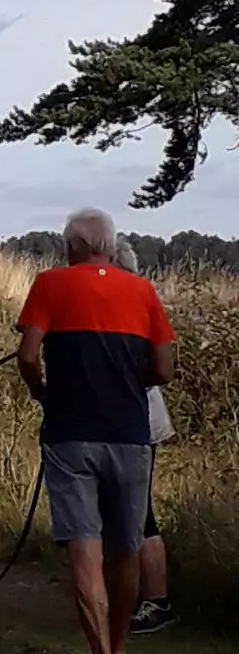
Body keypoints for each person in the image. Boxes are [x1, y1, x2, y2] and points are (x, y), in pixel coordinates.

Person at [16, 209, 177, 654]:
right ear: (109, 246)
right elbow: (166, 369)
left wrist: (43, 391)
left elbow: (26, 356)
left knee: (85, 550)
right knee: (126, 548)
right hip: (130, 437)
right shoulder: (143, 291)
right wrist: (125, 383)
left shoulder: (49, 285)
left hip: (70, 437)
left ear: (73, 248)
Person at [114, 238, 177, 633]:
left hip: (137, 422)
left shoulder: (129, 307)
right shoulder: (136, 304)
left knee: (140, 516)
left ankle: (157, 602)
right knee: (129, 513)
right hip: (131, 422)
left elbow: (160, 368)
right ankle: (135, 596)